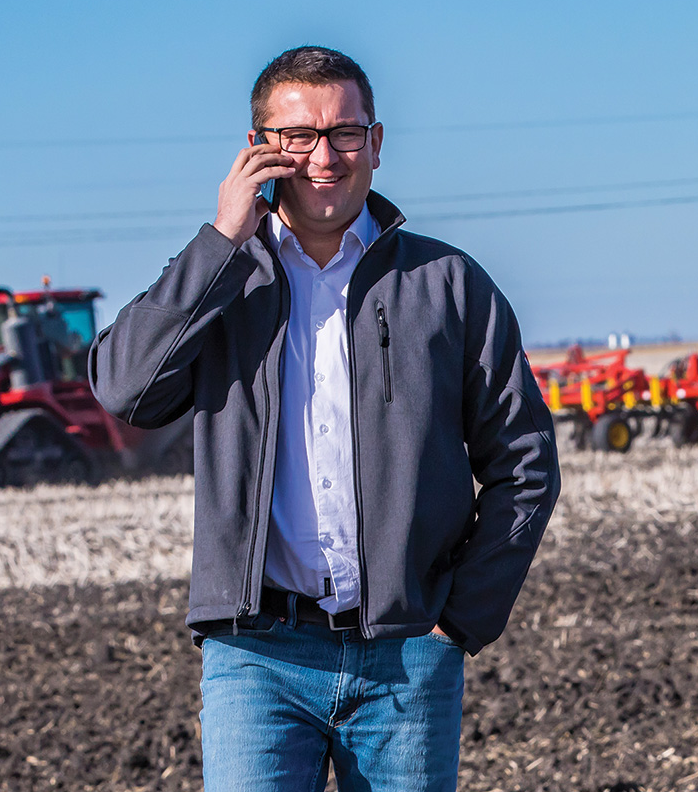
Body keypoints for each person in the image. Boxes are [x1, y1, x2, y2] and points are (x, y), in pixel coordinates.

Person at [89, 45, 561, 792]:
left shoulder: (448, 284)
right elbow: (124, 388)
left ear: (376, 143)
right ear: (259, 150)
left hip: (407, 656)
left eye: (345, 132)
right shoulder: (223, 283)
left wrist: (459, 621)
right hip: (256, 657)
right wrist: (220, 239)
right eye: (298, 134)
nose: (324, 155)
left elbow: (525, 463)